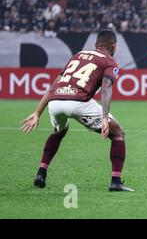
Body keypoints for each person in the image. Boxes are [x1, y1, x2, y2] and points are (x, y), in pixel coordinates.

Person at [20, 29, 134, 192]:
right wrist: (104, 118)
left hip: (55, 101)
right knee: (118, 134)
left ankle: (41, 172)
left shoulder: (78, 55)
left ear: (96, 45)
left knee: (59, 131)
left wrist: (37, 112)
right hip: (79, 102)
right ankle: (115, 181)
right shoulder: (109, 61)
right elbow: (106, 88)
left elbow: (55, 84)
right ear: (114, 45)